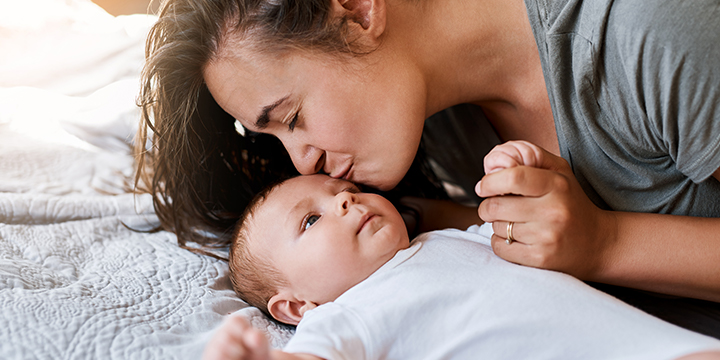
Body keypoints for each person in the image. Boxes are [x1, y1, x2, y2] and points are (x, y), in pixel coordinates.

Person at [135, 0, 720, 333]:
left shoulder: (650, 35)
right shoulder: (427, 128)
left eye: (290, 118)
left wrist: (607, 243)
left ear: (359, 12)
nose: (302, 162)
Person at [201, 173, 720, 360]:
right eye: (311, 221)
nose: (345, 203)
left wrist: (513, 172)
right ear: (295, 305)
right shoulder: (343, 314)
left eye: (348, 191)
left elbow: (527, 229)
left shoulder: (446, 238)